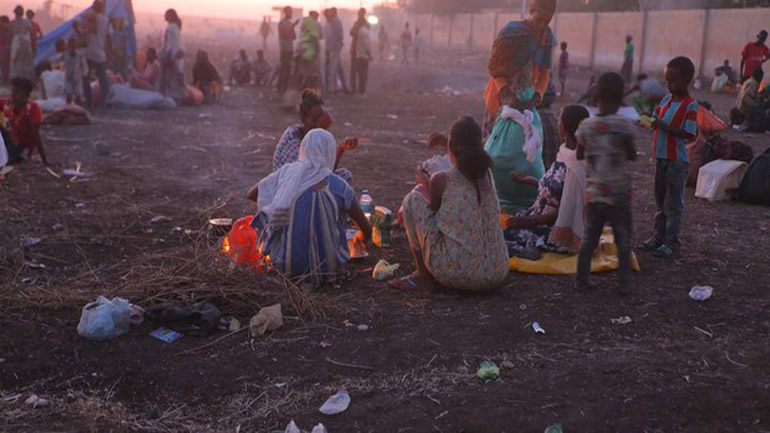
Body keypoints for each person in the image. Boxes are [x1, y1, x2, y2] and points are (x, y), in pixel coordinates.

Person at [390, 116, 509, 292]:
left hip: (460, 273)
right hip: (497, 270)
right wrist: (449, 143)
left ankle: (423, 276)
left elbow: (433, 211)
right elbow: (468, 153)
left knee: (412, 200)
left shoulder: (441, 179)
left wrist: (424, 182)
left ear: (451, 147)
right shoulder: (487, 174)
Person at [247, 129, 372, 286]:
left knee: (278, 217)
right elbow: (366, 229)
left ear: (303, 149)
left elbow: (252, 194)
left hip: (285, 270)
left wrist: (279, 205)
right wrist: (360, 239)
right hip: (329, 272)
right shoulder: (340, 186)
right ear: (329, 153)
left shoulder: (288, 173)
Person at [483, 0, 556, 213]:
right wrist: (506, 95)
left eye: (547, 19)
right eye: (539, 17)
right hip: (500, 98)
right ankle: (491, 199)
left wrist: (536, 97)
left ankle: (524, 201)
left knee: (529, 158)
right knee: (493, 149)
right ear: (531, 11)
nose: (542, 22)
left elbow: (544, 73)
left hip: (526, 98)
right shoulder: (511, 33)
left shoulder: (546, 37)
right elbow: (496, 68)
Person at [574, 72, 637, 294]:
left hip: (594, 193)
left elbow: (579, 154)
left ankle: (581, 280)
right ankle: (624, 283)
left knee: (589, 239)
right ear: (621, 98)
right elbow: (632, 155)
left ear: (596, 95)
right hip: (619, 193)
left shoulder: (585, 125)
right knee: (623, 239)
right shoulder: (625, 125)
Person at [504, 105, 590, 258]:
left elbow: (566, 208)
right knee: (505, 230)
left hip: (554, 226)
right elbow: (554, 188)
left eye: (559, 120)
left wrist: (530, 221)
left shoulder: (576, 164)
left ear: (565, 127)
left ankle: (533, 248)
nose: (557, 124)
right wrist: (527, 181)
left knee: (506, 237)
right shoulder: (565, 152)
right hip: (538, 216)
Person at [639, 56, 699, 259]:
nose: (669, 84)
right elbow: (656, 117)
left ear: (686, 80)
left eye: (673, 80)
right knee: (660, 200)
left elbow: (690, 133)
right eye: (667, 80)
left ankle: (672, 243)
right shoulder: (666, 99)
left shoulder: (690, 105)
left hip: (676, 161)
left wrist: (663, 126)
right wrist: (646, 119)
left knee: (673, 204)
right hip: (661, 158)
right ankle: (658, 237)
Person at [273, 89, 357, 184]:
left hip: (311, 180)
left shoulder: (318, 137)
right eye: (315, 119)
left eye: (321, 117)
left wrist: (341, 148)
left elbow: (326, 170)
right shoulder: (292, 138)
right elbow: (309, 175)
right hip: (289, 186)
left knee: (345, 176)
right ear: (303, 118)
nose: (319, 123)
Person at [2, 78, 49, 166]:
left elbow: (36, 136)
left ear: (26, 95)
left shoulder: (33, 109)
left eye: (17, 92)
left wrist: (45, 161)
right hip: (10, 143)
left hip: (23, 148)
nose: (13, 95)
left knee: (13, 159)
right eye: (13, 91)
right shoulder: (8, 104)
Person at [81, 1, 110, 107]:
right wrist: (109, 54)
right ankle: (105, 100)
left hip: (88, 53)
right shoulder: (105, 20)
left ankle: (89, 101)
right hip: (100, 54)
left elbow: (81, 29)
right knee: (102, 79)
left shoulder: (88, 17)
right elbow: (109, 38)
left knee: (86, 78)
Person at [160, 9, 186, 101]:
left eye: (166, 15)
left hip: (172, 57)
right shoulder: (175, 27)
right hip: (177, 57)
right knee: (177, 78)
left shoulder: (171, 28)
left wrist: (168, 57)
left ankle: (171, 98)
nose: (164, 16)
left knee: (170, 79)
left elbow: (170, 45)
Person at [296, 11, 322, 90]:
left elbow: (302, 33)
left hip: (303, 47)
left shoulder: (304, 23)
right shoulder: (317, 25)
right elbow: (320, 36)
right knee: (313, 70)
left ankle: (299, 86)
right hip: (312, 49)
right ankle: (309, 86)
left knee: (302, 69)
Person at [10, 6, 34, 82]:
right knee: (19, 61)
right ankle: (21, 78)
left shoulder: (16, 22)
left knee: (19, 61)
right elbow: (31, 32)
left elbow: (31, 32)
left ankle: (21, 78)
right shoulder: (14, 22)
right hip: (21, 43)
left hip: (21, 44)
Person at [277, 7, 297, 95]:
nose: (291, 14)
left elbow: (293, 37)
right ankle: (280, 88)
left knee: (288, 71)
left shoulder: (289, 23)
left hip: (290, 50)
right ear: (286, 13)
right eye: (290, 12)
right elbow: (283, 35)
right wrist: (292, 27)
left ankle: (284, 88)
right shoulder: (282, 23)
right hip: (284, 49)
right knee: (283, 70)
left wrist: (292, 28)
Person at [323, 8, 344, 96]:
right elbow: (339, 35)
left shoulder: (330, 23)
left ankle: (334, 87)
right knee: (334, 68)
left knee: (333, 68)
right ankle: (333, 88)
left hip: (331, 47)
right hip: (334, 47)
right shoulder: (335, 22)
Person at [62, 38, 87, 105]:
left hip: (77, 77)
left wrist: (84, 74)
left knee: (77, 92)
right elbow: (63, 64)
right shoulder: (65, 55)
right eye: (70, 46)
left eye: (73, 46)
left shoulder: (79, 55)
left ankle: (78, 106)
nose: (71, 48)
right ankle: (68, 106)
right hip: (68, 77)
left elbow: (84, 66)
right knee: (68, 92)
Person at [349, 8, 367, 93]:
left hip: (360, 49)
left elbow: (353, 33)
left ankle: (359, 89)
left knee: (360, 71)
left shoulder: (365, 24)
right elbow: (352, 32)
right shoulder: (359, 24)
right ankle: (356, 89)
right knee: (357, 70)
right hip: (357, 49)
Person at [354, 21, 372, 95]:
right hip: (364, 56)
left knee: (360, 74)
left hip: (359, 55)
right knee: (364, 74)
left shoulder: (360, 31)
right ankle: (362, 90)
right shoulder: (365, 32)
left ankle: (360, 89)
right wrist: (369, 53)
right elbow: (366, 44)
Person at [0, 16, 12, 84]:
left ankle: (5, 79)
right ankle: (5, 78)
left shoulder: (6, 29)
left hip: (5, 48)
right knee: (5, 64)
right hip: (6, 48)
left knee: (5, 64)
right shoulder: (8, 28)